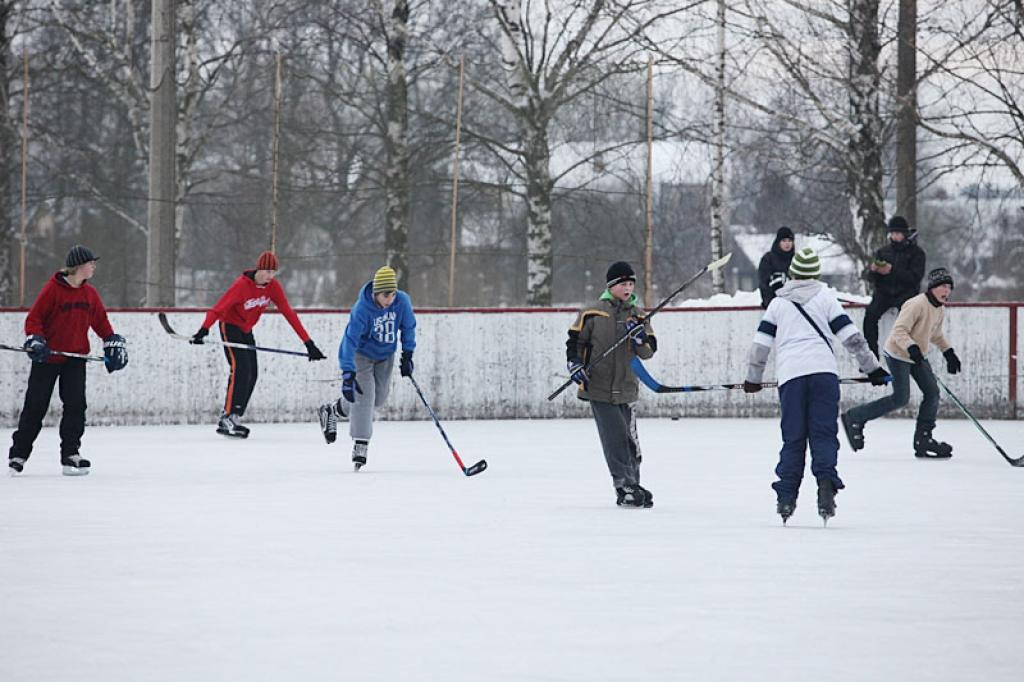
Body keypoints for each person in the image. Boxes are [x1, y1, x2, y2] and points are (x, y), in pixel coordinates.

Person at [744, 247, 888, 524]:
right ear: (816, 274)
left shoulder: (777, 303)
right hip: (824, 375)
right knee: (823, 435)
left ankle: (786, 498)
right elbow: (853, 338)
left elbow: (760, 347)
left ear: (793, 273)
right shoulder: (826, 298)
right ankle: (825, 486)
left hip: (792, 378)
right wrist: (873, 369)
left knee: (793, 439)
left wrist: (753, 379)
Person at [8, 245, 128, 476]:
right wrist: (35, 341)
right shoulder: (52, 290)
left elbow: (101, 323)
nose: (94, 266)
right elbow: (34, 320)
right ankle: (18, 455)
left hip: (76, 358)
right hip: (48, 358)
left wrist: (110, 341)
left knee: (75, 406)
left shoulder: (90, 294)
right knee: (35, 406)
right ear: (78, 266)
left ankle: (70, 455)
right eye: (90, 263)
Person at [191, 251, 326, 438]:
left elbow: (289, 313)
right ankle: (227, 417)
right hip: (229, 326)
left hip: (246, 330)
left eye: (273, 272)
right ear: (258, 268)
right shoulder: (241, 286)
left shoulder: (273, 287)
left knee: (252, 373)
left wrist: (309, 343)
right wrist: (203, 330)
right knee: (241, 369)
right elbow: (218, 309)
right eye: (266, 271)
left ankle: (235, 416)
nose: (270, 276)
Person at [565, 261, 657, 508]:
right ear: (611, 286)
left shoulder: (638, 315)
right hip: (599, 387)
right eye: (623, 284)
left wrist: (639, 337)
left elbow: (648, 352)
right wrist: (575, 365)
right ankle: (623, 484)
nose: (628, 288)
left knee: (630, 439)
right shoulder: (593, 313)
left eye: (631, 284)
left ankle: (633, 483)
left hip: (626, 387)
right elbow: (574, 343)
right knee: (614, 437)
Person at [841, 268, 961, 459]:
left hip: (917, 355)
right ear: (932, 288)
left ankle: (924, 439)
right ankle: (854, 418)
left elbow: (935, 334)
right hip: (897, 354)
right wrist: (912, 347)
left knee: (932, 393)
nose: (946, 291)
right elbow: (898, 332)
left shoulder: (939, 309)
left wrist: (949, 352)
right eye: (942, 287)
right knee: (901, 397)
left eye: (949, 287)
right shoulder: (915, 304)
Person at [317, 266, 416, 471]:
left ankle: (332, 410)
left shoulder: (402, 302)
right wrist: (347, 373)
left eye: (393, 294)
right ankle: (361, 444)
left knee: (378, 399)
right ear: (376, 293)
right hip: (361, 356)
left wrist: (408, 355)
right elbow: (349, 340)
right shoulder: (362, 309)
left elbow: (408, 327)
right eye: (385, 295)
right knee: (365, 397)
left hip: (385, 355)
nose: (390, 299)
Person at [863, 215, 926, 357]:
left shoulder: (917, 253)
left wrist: (892, 271)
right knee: (870, 316)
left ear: (904, 234)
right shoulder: (883, 252)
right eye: (892, 233)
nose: (894, 236)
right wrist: (874, 271)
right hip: (884, 293)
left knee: (907, 319)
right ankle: (871, 354)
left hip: (906, 293)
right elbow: (872, 279)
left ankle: (906, 352)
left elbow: (915, 278)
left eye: (897, 233)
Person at [758, 226, 795, 309]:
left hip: (794, 306)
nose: (787, 243)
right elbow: (764, 284)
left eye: (790, 240)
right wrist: (770, 304)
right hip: (773, 305)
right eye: (784, 240)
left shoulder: (796, 259)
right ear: (778, 242)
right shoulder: (768, 259)